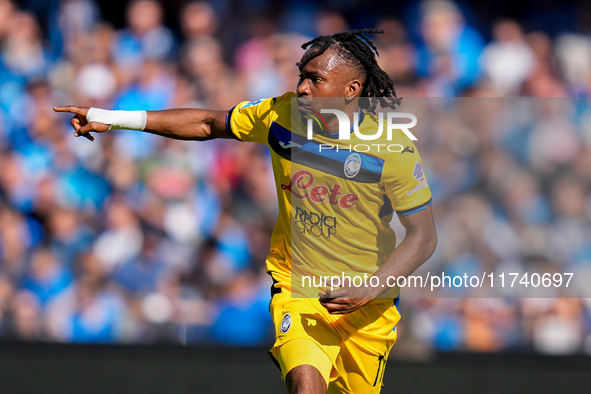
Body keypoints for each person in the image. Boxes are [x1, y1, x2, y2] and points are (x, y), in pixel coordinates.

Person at [54, 29, 437, 394]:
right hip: (298, 286)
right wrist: (115, 117)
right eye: (301, 76)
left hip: (368, 305)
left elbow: (423, 236)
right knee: (306, 385)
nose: (302, 87)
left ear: (351, 90)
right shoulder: (282, 116)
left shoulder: (393, 150)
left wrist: (370, 288)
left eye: (316, 79)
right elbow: (207, 123)